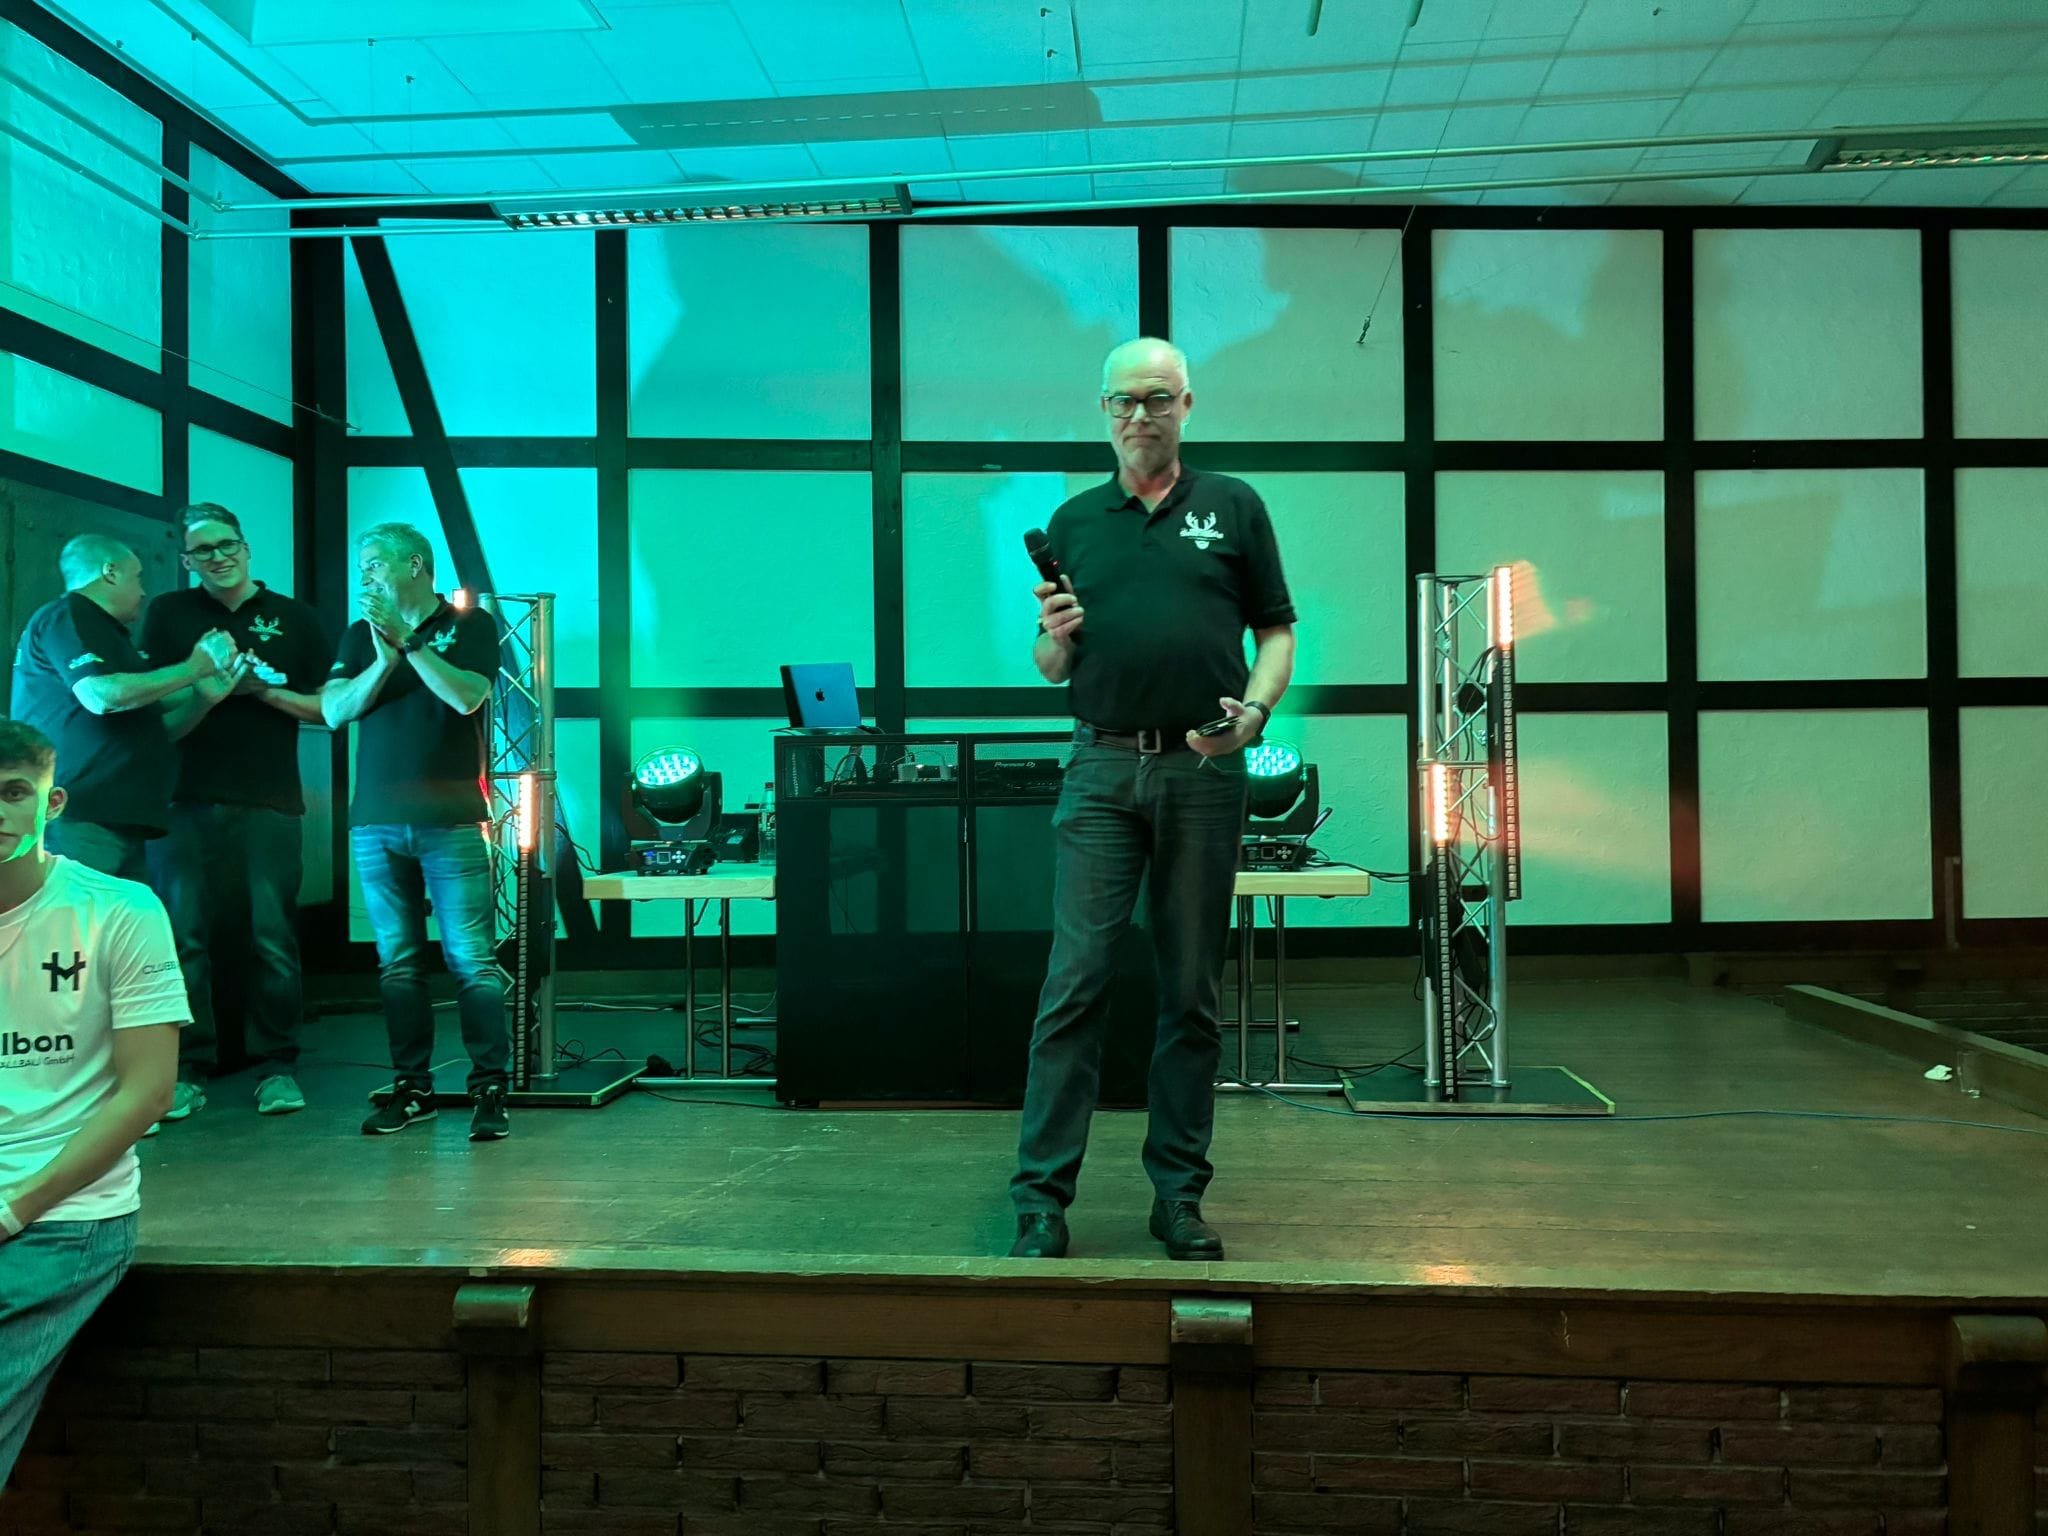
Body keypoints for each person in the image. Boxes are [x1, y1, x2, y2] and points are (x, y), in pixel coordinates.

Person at [1009, 337, 1298, 1262]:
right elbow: (1052, 666)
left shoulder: (1233, 506)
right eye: (1124, 401)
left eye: (1157, 399)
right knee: (1075, 982)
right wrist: (1054, 637)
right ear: (1103, 410)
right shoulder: (1073, 521)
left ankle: (1178, 1195)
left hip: (1202, 773)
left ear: (1187, 405)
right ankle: (1041, 1200)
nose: (1140, 415)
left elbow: (1277, 632)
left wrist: (1255, 714)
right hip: (1099, 768)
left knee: (1191, 991)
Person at [0, 718, 185, 1484]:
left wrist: (13, 1208)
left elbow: (149, 1090)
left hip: (64, 1217)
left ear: (53, 802)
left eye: (13, 792)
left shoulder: (118, 909)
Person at [140, 505, 332, 1122]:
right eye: (203, 551)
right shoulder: (168, 614)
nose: (218, 557)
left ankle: (276, 1066)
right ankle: (185, 1069)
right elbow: (154, 713)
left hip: (269, 798)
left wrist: (261, 691)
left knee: (271, 937)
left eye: (227, 545)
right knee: (183, 937)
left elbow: (328, 709)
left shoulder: (296, 618)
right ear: (186, 560)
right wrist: (205, 691)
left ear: (247, 549)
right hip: (182, 799)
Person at [321, 522, 511, 1142]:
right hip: (375, 821)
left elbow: (467, 697)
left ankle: (490, 1089)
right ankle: (413, 1089)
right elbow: (333, 710)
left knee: (472, 962)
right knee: (398, 965)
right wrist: (382, 660)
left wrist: (409, 643)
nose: (365, 575)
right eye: (362, 566)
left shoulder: (469, 625)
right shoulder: (359, 635)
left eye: (375, 563)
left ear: (415, 565)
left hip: (450, 820)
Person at [8, 535, 237, 881]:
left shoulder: (113, 638)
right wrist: (194, 668)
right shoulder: (69, 614)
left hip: (122, 821)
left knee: (113, 917)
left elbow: (158, 729)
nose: (143, 592)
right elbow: (101, 696)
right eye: (138, 577)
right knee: (76, 915)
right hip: (79, 815)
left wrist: (202, 698)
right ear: (110, 572)